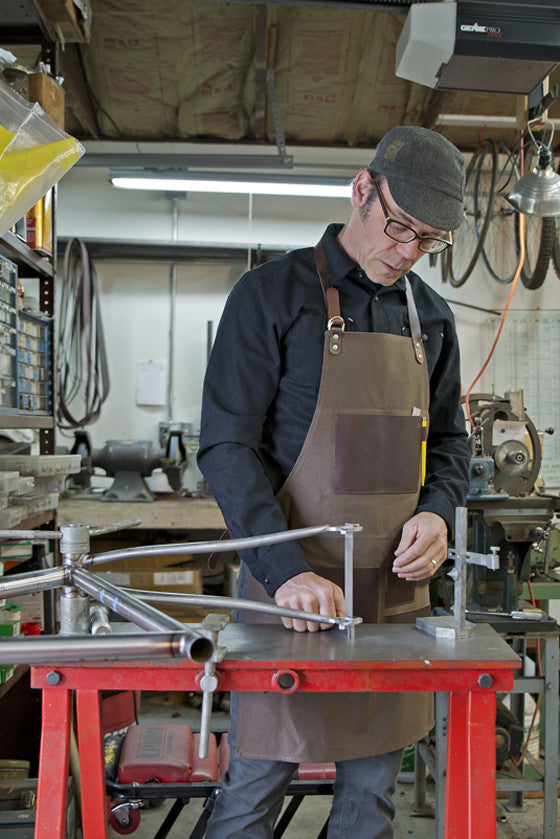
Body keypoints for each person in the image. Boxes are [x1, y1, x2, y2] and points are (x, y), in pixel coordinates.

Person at [197, 125, 471, 839]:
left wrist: (439, 511)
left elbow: (449, 442)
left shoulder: (432, 320)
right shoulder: (268, 297)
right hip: (285, 597)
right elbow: (226, 446)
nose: (406, 252)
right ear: (361, 189)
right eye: (399, 227)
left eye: (427, 241)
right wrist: (285, 571)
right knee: (252, 789)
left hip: (390, 602)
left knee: (370, 799)